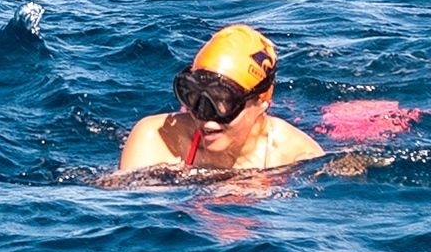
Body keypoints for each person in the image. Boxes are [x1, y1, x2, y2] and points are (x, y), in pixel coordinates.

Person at [116, 24, 324, 173]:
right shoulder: (157, 137)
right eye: (194, 97)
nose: (206, 117)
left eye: (223, 102)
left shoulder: (298, 158)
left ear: (261, 103)